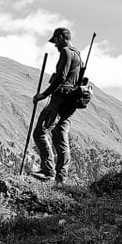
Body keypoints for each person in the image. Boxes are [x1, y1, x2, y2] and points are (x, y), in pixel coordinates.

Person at [31, 27, 83, 183]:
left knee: (40, 132)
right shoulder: (78, 55)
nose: (55, 45)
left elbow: (61, 77)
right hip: (69, 104)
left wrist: (43, 95)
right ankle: (61, 179)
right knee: (60, 135)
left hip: (58, 101)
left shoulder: (66, 52)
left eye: (55, 41)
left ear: (61, 37)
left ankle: (48, 172)